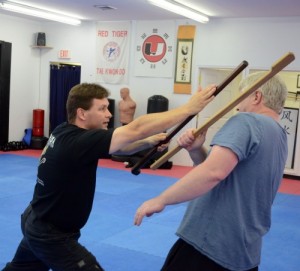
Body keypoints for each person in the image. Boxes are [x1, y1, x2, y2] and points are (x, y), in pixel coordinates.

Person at [2, 82, 217, 271]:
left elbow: (118, 147)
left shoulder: (64, 131)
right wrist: (189, 108)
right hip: (51, 235)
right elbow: (136, 128)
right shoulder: (80, 142)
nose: (109, 114)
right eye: (102, 108)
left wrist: (147, 143)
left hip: (35, 218)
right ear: (82, 113)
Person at [134, 72, 288, 271]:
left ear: (256, 96)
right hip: (245, 251)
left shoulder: (246, 121)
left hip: (210, 243)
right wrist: (197, 149)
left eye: (241, 97)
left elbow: (213, 172)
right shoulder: (280, 135)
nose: (238, 106)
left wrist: (161, 199)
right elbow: (226, 172)